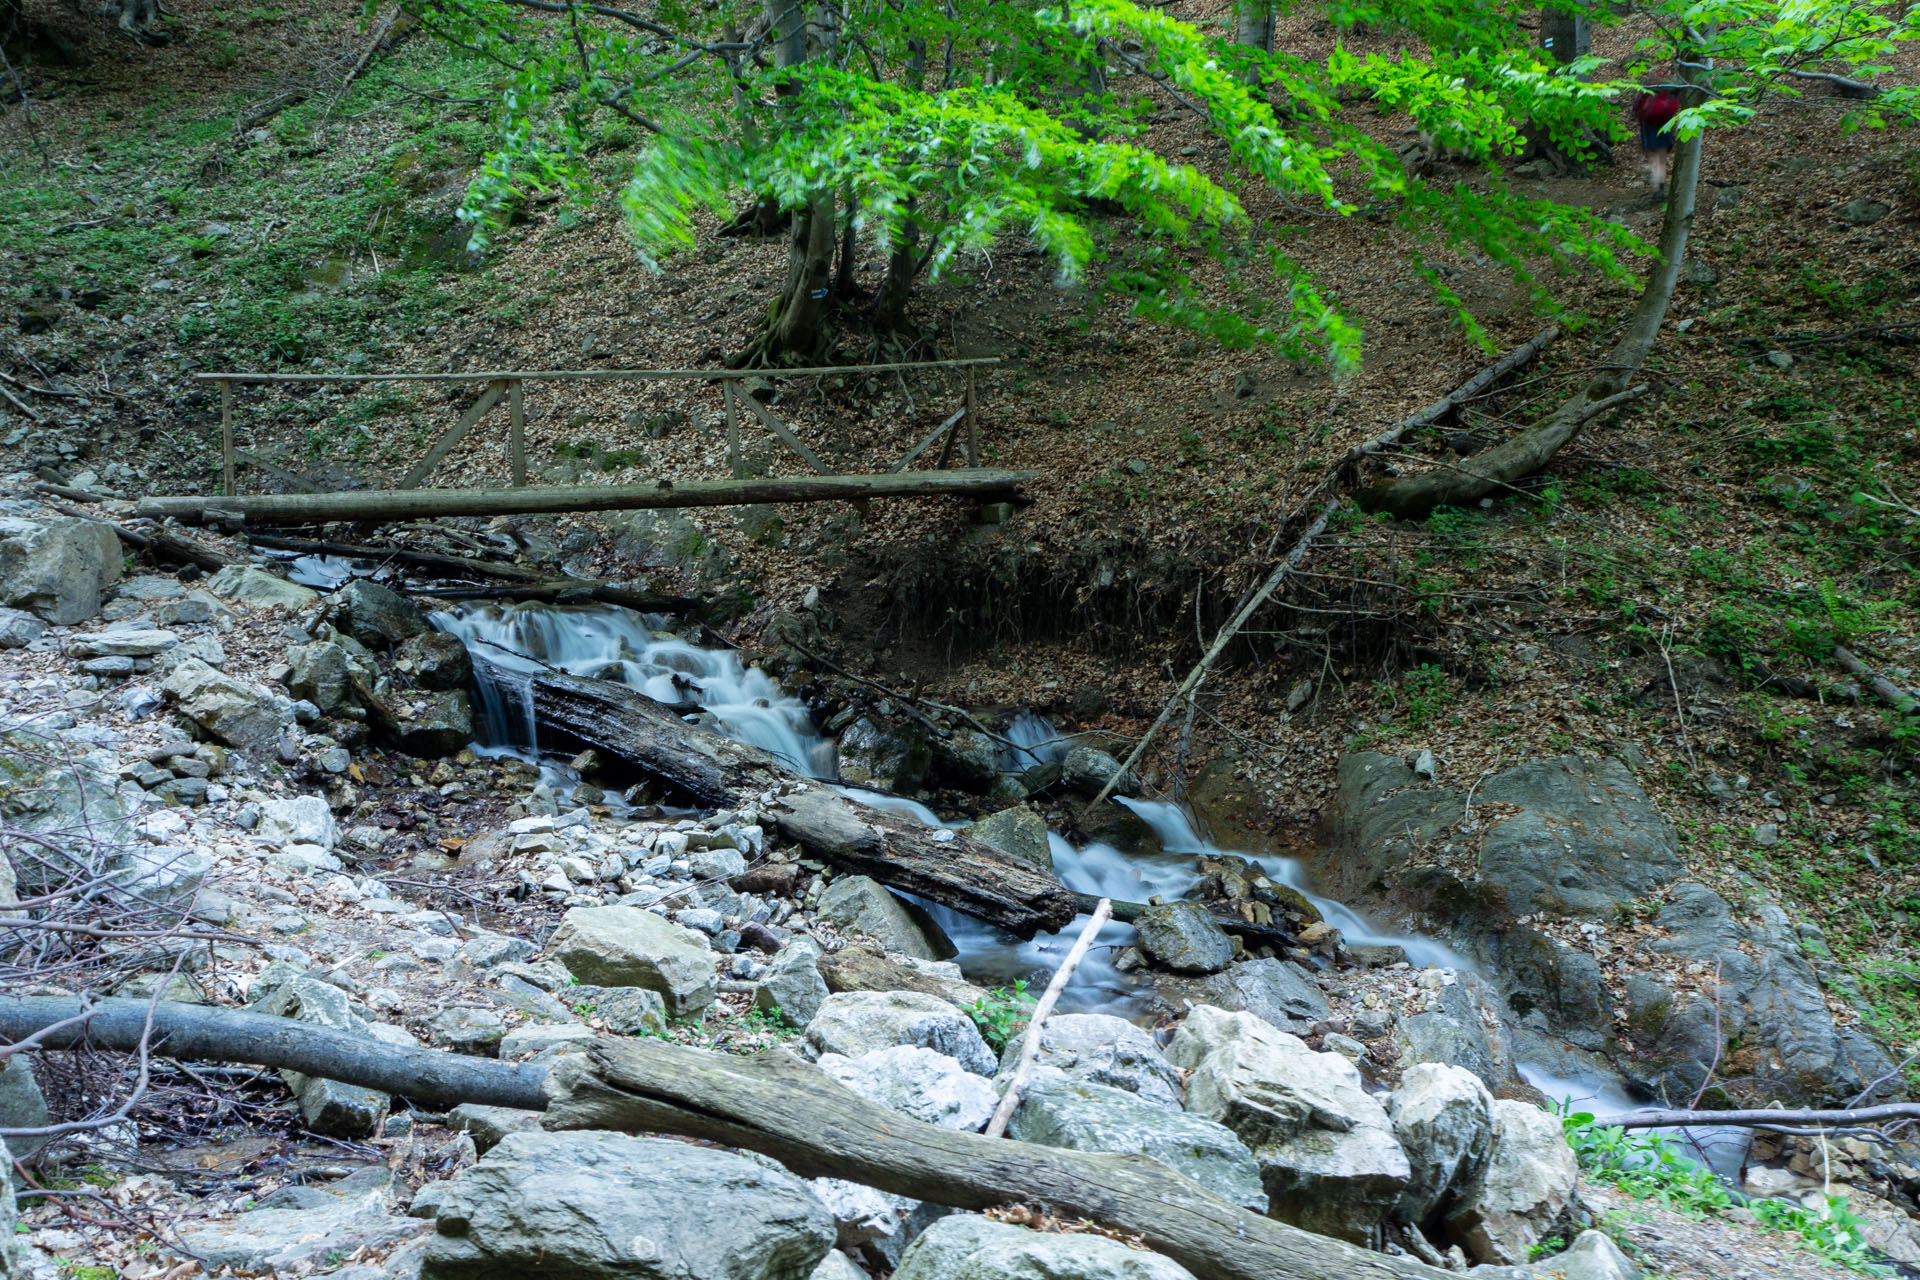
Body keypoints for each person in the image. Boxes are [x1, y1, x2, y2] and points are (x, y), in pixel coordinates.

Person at [1633, 89, 1684, 196]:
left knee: (1653, 159)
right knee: (1662, 160)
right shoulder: (1670, 87)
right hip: (1665, 126)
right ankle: (1661, 186)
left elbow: (1636, 105)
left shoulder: (1649, 85)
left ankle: (1657, 188)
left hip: (1649, 127)